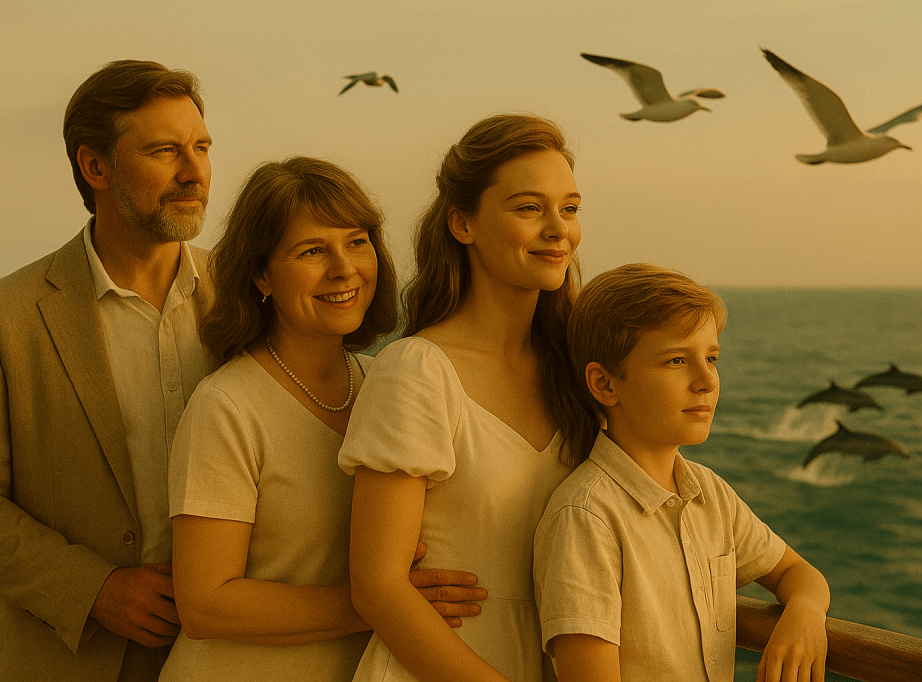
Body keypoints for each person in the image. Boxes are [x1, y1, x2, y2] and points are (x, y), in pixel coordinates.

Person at [161, 157, 486, 681]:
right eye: (313, 250)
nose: (343, 268)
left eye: (356, 242)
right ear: (261, 274)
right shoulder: (227, 406)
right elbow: (205, 603)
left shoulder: (391, 384)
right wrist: (379, 602)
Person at [338, 114, 591, 682]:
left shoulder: (576, 372)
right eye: (529, 208)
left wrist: (799, 594)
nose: (558, 229)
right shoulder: (418, 371)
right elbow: (376, 586)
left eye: (569, 208)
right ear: (462, 223)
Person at [0, 60, 216, 681]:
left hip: (236, 652)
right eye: (165, 151)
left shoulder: (251, 298)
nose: (194, 171)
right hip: (74, 656)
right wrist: (93, 589)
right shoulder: (13, 317)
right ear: (94, 166)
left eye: (201, 147)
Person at [533, 263, 831, 682]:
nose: (707, 380)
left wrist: (804, 613)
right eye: (676, 360)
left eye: (711, 358)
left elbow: (799, 573)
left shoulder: (710, 494)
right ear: (604, 384)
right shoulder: (586, 520)